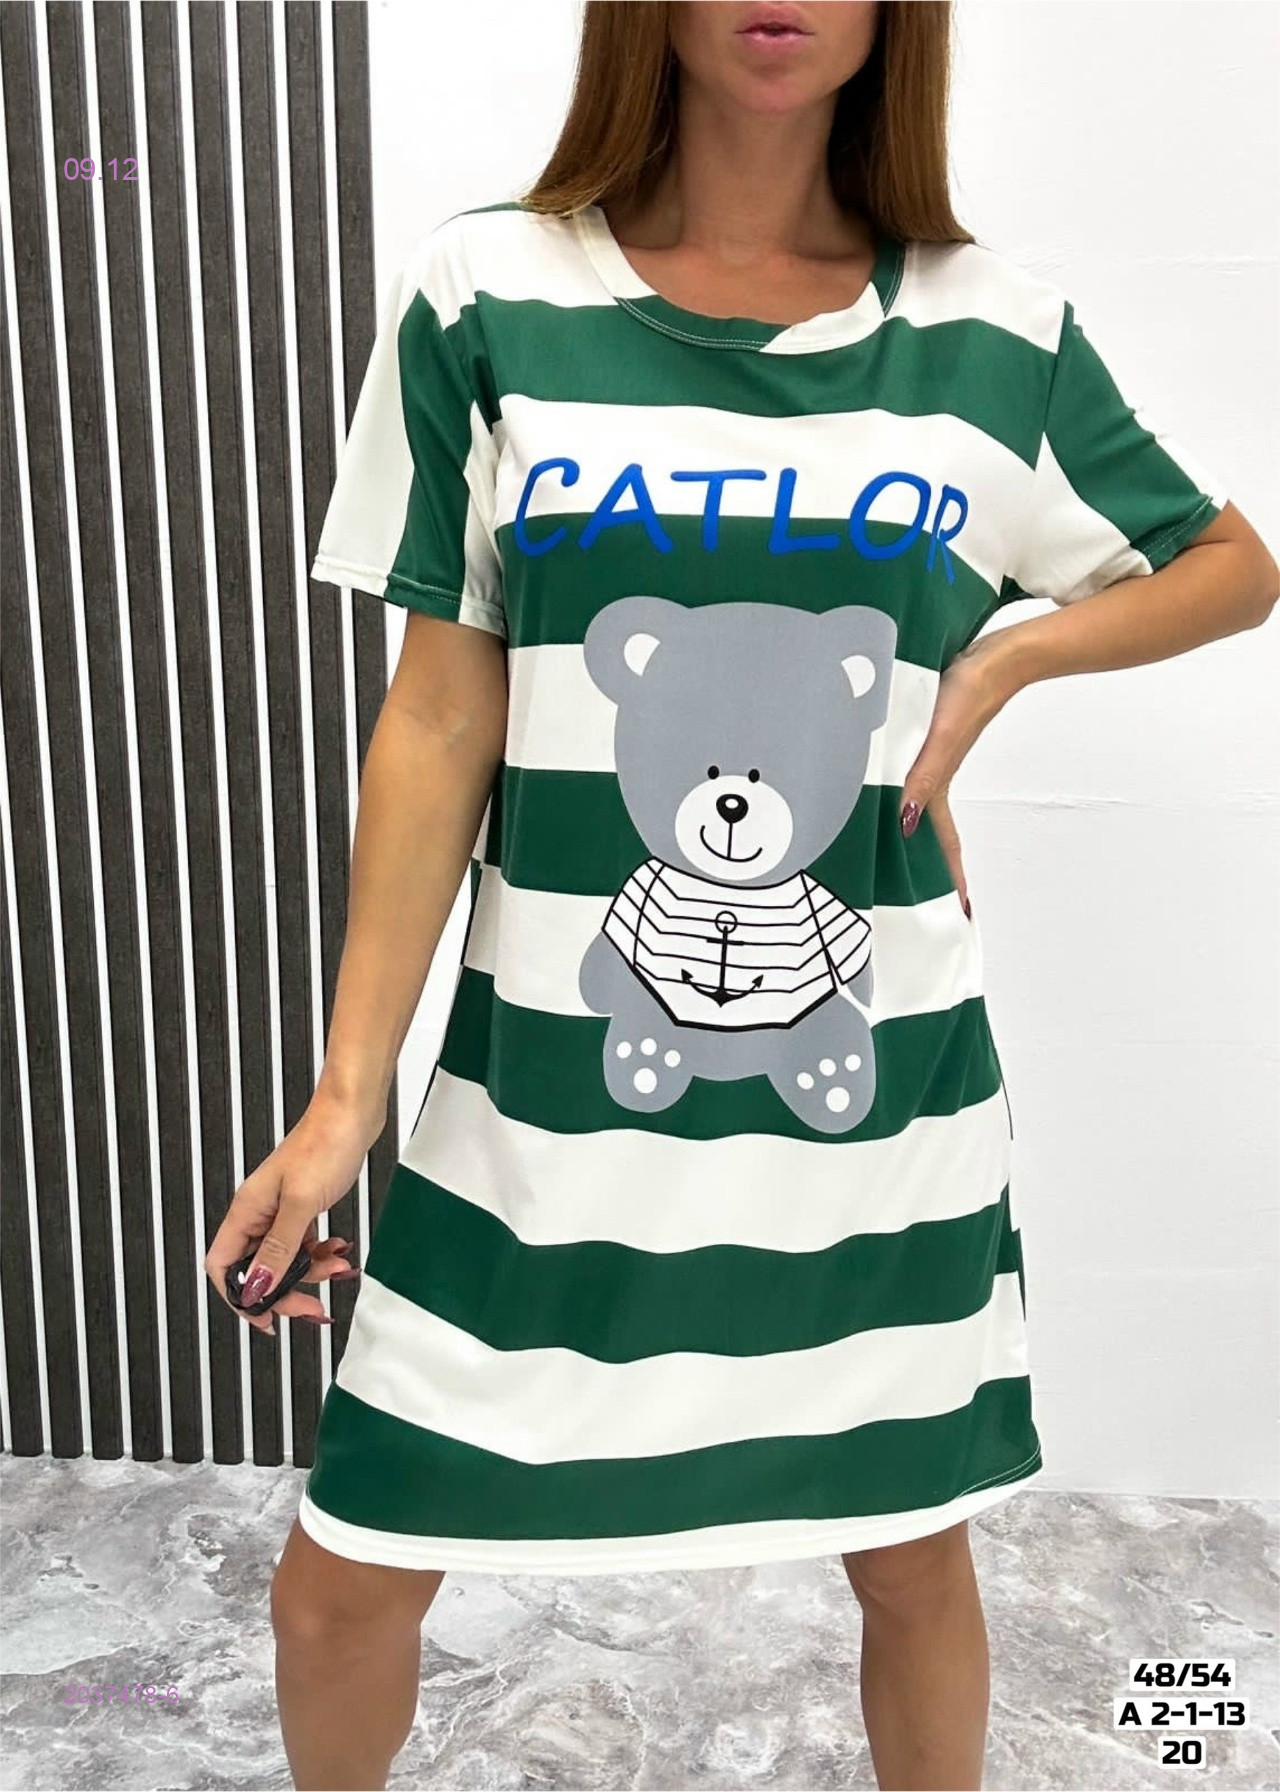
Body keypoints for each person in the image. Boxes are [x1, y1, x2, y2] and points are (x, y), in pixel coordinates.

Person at [203, 4, 1278, 1788]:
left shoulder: (990, 331)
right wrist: (343, 1101)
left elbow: (1229, 564)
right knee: (340, 1589)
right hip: (545, 1107)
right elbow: (442, 712)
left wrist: (1001, 661)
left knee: (912, 1555)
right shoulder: (488, 296)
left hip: (870, 1114)